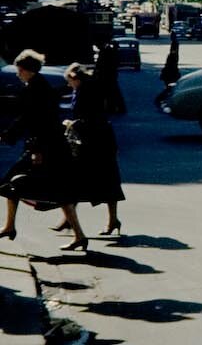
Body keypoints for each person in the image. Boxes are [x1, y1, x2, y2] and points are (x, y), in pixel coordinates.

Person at [0, 50, 89, 250]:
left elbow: (37, 121)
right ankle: (9, 226)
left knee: (21, 185)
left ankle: (79, 235)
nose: (17, 74)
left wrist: (34, 148)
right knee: (17, 185)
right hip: (48, 145)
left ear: (28, 70)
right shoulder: (37, 86)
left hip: (46, 147)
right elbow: (28, 119)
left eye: (19, 70)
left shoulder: (36, 90)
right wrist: (8, 135)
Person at [59, 63, 125, 238]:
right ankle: (72, 218)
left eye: (69, 81)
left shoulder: (87, 91)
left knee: (98, 180)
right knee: (100, 180)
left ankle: (110, 220)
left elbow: (91, 117)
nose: (68, 84)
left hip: (97, 141)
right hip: (97, 140)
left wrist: (72, 123)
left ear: (75, 78)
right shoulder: (84, 89)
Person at [93, 39, 126, 115]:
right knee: (112, 92)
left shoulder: (105, 51)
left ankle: (112, 108)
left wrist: (97, 72)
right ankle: (114, 108)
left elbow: (100, 64)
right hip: (110, 74)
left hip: (107, 75)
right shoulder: (108, 50)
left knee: (110, 92)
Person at [155, 41, 181, 109]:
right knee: (169, 88)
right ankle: (161, 99)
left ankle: (162, 100)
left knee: (169, 88)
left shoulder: (172, 56)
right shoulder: (172, 56)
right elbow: (171, 66)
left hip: (170, 74)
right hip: (170, 74)